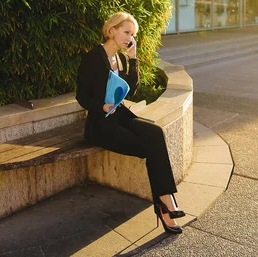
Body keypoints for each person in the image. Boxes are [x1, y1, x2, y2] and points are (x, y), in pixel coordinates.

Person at [76, 12, 185, 234]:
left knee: (155, 133)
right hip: (100, 124)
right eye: (126, 32)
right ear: (111, 30)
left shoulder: (122, 58)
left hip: (121, 115)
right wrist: (102, 106)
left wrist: (133, 57)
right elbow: (82, 96)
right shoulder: (92, 58)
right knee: (152, 148)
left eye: (132, 34)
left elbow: (130, 89)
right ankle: (165, 205)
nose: (129, 38)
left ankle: (164, 199)